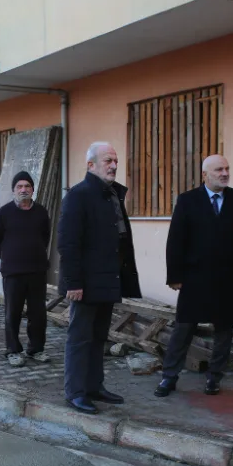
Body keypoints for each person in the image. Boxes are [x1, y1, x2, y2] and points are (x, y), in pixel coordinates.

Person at [155, 155, 233, 398]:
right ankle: (169, 377)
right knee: (183, 329)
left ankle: (214, 377)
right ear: (205, 175)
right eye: (218, 169)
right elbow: (176, 241)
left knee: (224, 330)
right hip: (194, 278)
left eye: (227, 168)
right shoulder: (188, 200)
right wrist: (175, 276)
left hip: (228, 278)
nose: (224, 173)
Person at [58, 142, 141, 414]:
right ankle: (75, 392)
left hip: (108, 279)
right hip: (85, 283)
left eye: (115, 160)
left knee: (99, 337)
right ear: (90, 165)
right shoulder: (78, 196)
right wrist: (73, 283)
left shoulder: (112, 195)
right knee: (80, 337)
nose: (114, 165)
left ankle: (94, 386)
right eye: (108, 160)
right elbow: (68, 243)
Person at [0, 170, 52, 367]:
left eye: (27, 186)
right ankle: (13, 350)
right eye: (20, 186)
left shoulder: (41, 212)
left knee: (38, 314)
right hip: (13, 273)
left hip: (37, 272)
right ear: (14, 190)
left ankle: (36, 349)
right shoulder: (4, 213)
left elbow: (45, 238)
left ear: (32, 189)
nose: (23, 190)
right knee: (12, 313)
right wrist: (8, 257)